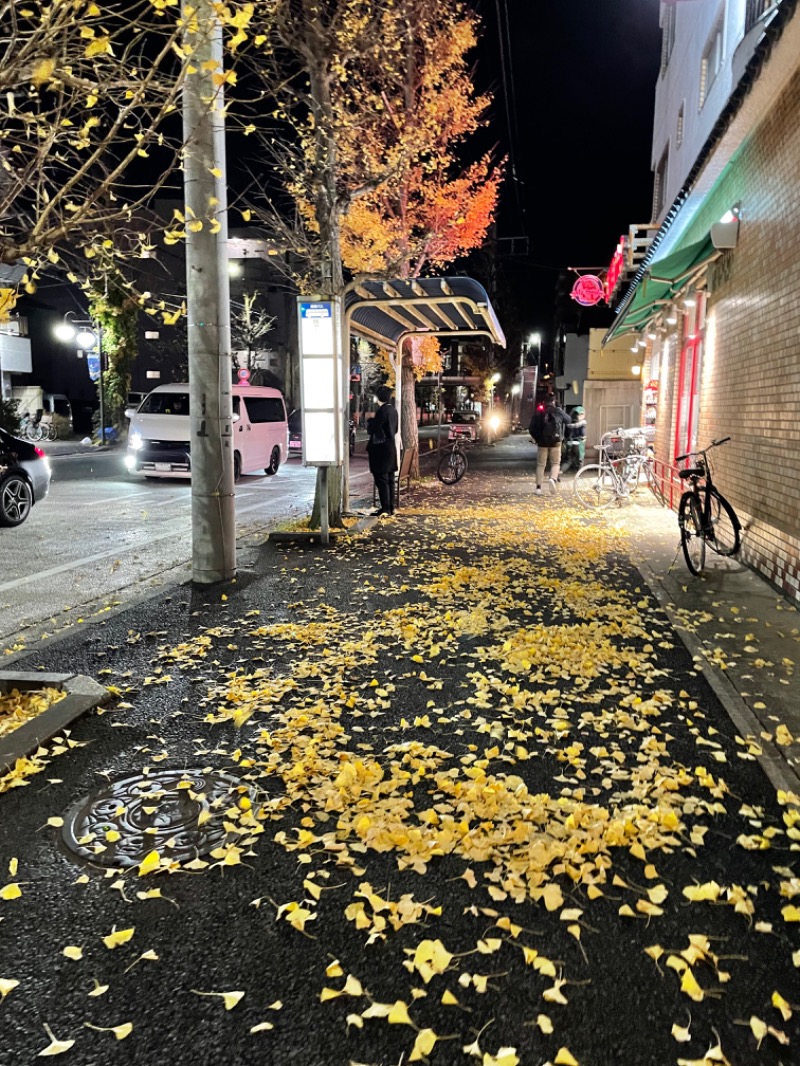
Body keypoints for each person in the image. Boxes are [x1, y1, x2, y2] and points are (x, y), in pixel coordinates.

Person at [366, 384, 399, 515]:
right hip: (390, 447)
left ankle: (385, 508)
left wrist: (370, 422)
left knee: (381, 479)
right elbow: (394, 429)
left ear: (378, 397)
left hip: (381, 451)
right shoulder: (393, 410)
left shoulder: (382, 411)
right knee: (390, 479)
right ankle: (390, 507)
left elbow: (373, 428)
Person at [529, 395, 571, 494]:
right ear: (553, 402)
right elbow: (568, 420)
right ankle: (553, 479)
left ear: (544, 402)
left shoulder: (539, 412)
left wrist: (537, 438)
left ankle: (538, 488)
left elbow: (531, 428)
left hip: (542, 442)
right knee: (555, 463)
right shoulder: (558, 411)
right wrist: (560, 409)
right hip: (556, 442)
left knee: (540, 465)